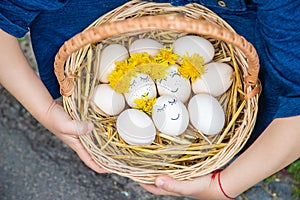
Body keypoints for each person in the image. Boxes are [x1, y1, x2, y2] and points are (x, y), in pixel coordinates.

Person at [0, 0, 299, 199]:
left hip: (236, 117)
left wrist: (222, 187)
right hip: (89, 89)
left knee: (203, 125)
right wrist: (47, 111)